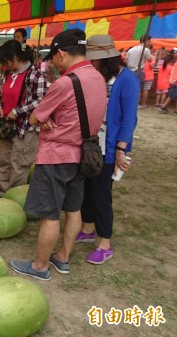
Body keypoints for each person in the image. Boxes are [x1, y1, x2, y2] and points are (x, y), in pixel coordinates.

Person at [8, 29, 107, 281]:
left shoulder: (65, 82)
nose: (53, 62)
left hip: (56, 155)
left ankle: (40, 266)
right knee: (73, 209)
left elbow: (34, 117)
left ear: (62, 52)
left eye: (54, 57)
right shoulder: (97, 77)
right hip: (83, 155)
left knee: (49, 214)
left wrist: (45, 118)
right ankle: (62, 258)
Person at [73, 34, 139, 265]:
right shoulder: (99, 75)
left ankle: (105, 241)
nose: (91, 62)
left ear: (106, 58)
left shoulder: (127, 79)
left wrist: (121, 148)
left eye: (94, 59)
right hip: (91, 144)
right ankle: (88, 227)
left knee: (101, 193)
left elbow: (129, 117)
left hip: (109, 147)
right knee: (87, 188)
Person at [0, 40, 47, 194]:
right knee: (3, 160)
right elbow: (0, 93)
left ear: (15, 57)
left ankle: (14, 196)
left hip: (26, 128)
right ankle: (3, 192)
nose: (4, 65)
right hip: (7, 127)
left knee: (19, 164)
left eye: (6, 61)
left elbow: (41, 99)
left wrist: (17, 111)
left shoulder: (35, 74)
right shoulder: (6, 73)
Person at [125, 35, 153, 108]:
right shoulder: (146, 50)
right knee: (138, 89)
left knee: (129, 88)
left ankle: (128, 103)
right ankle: (136, 104)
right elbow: (150, 59)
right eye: (149, 41)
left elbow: (126, 61)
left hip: (129, 71)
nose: (150, 43)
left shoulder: (131, 49)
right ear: (146, 41)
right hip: (138, 71)